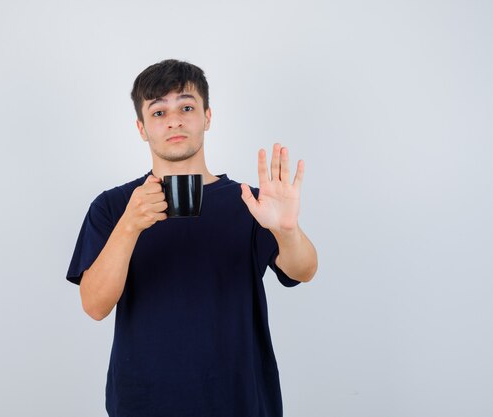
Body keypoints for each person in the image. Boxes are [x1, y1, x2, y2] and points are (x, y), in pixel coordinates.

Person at [66, 59, 318, 417]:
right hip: (144, 402)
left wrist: (286, 230)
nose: (174, 120)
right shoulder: (113, 206)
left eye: (186, 107)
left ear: (207, 117)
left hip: (240, 400)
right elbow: (94, 306)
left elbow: (303, 270)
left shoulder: (251, 202)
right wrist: (129, 226)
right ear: (141, 128)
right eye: (158, 112)